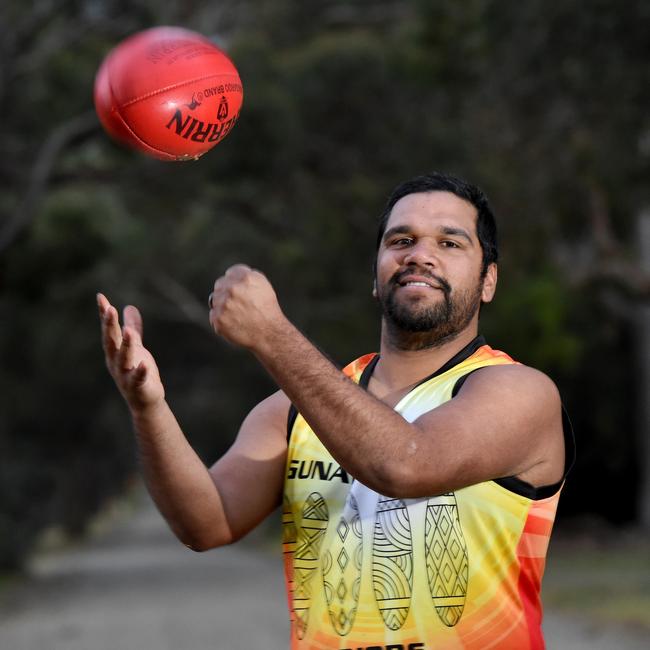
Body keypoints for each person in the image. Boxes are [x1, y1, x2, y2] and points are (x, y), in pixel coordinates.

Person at [97, 172, 573, 650]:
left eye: (450, 243)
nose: (419, 255)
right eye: (400, 240)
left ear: (488, 280)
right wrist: (148, 407)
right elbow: (206, 523)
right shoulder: (291, 410)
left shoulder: (518, 392)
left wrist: (270, 333)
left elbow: (405, 464)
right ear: (375, 274)